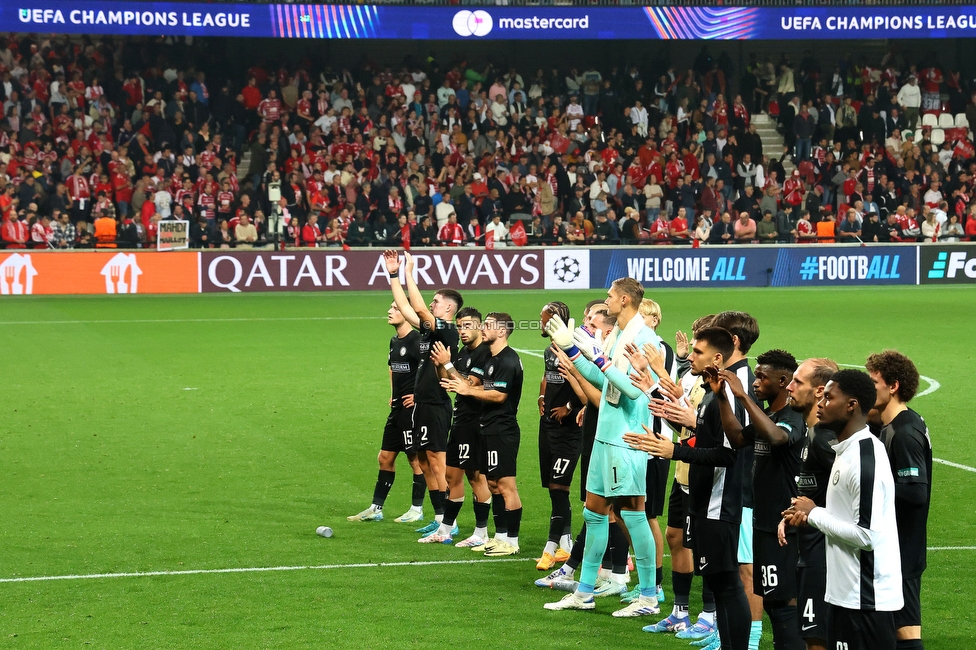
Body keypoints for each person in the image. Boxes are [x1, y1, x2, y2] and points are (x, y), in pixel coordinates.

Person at [544, 278, 662, 618]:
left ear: (624, 299)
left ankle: (649, 598)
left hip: (626, 438)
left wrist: (599, 357)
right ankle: (584, 593)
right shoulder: (619, 335)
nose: (606, 300)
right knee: (593, 513)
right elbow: (603, 379)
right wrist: (572, 351)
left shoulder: (643, 338)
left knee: (633, 514)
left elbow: (635, 391)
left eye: (610, 296)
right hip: (605, 434)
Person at [628, 327, 752, 649]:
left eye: (697, 352)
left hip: (718, 503)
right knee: (719, 582)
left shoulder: (725, 394)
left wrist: (675, 451)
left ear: (718, 357)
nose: (689, 356)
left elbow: (728, 454)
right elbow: (705, 432)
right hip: (703, 498)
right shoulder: (713, 391)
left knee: (727, 586)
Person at [783, 370, 903, 650]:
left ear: (852, 405)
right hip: (843, 594)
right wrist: (809, 518)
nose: (821, 403)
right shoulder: (844, 450)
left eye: (829, 397)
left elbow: (866, 536)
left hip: (867, 602)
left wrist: (815, 513)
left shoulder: (864, 458)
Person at [720, 350, 807, 650]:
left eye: (761, 377)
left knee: (784, 603)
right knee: (774, 602)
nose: (755, 382)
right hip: (764, 521)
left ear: (783, 381)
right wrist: (722, 397)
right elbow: (737, 438)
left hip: (784, 525)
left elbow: (777, 438)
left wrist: (743, 397)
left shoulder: (792, 417)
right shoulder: (769, 415)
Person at [639, 315, 718, 640]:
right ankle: (679, 612)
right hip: (682, 472)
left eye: (699, 345)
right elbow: (684, 425)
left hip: (704, 476)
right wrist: (658, 399)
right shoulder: (693, 380)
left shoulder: (718, 387)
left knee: (708, 547)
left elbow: (712, 432)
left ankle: (711, 614)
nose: (691, 352)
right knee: (675, 538)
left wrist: (660, 380)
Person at [384, 250, 462, 537]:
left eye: (436, 302)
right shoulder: (429, 332)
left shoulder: (448, 332)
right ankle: (440, 516)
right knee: (426, 462)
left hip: (436, 404)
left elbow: (416, 308)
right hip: (421, 405)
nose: (431, 304)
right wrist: (393, 275)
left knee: (438, 462)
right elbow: (406, 308)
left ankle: (450, 525)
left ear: (448, 310)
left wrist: (409, 272)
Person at [442, 312, 524, 557]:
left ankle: (513, 541)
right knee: (493, 484)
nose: (483, 328)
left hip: (503, 430)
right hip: (487, 429)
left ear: (502, 331)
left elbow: (499, 395)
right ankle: (500, 537)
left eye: (488, 325)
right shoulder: (490, 357)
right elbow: (480, 385)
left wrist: (467, 390)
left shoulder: (508, 360)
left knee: (507, 486)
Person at [865, 351, 931, 650]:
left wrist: (871, 489)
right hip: (896, 544)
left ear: (892, 386)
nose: (869, 388)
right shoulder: (892, 425)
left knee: (905, 630)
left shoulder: (904, 432)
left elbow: (916, 493)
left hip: (902, 547)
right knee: (894, 628)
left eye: (873, 382)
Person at [780, 357, 841, 650]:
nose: (789, 387)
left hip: (825, 558)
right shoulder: (811, 434)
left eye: (797, 382)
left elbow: (854, 491)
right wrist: (796, 511)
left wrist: (814, 514)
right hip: (812, 551)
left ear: (819, 391)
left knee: (818, 640)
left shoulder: (824, 439)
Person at [347, 302, 427, 524]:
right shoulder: (394, 341)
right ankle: (376, 508)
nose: (390, 311)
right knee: (385, 457)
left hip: (412, 410)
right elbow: (392, 368)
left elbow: (434, 371)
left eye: (395, 308)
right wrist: (393, 395)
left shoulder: (418, 342)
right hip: (397, 408)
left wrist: (419, 397)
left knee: (415, 460)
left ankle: (416, 509)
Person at [422, 307, 493, 546]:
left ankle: (481, 533)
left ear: (480, 327)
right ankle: (445, 529)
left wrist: (448, 364)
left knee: (476, 477)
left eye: (468, 326)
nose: (462, 331)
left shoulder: (485, 355)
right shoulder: (462, 353)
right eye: (460, 326)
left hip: (477, 423)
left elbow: (467, 386)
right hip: (460, 420)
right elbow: (447, 381)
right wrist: (440, 364)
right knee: (452, 475)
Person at [535, 302, 584, 570]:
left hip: (569, 430)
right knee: (554, 490)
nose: (540, 322)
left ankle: (551, 546)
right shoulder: (549, 350)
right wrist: (543, 395)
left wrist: (570, 407)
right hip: (548, 427)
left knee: (559, 486)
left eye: (543, 318)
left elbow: (587, 386)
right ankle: (565, 544)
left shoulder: (572, 349)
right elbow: (546, 375)